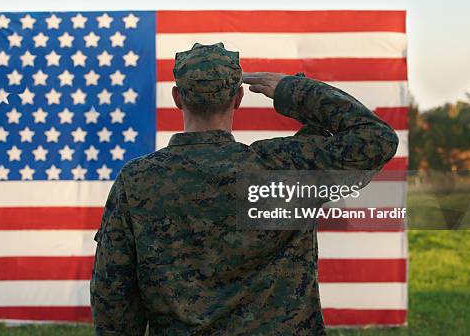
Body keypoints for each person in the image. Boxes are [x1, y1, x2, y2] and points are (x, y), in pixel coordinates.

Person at [90, 42, 399, 335]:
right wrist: (291, 90)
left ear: (177, 98)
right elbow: (376, 137)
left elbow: (113, 294)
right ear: (238, 98)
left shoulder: (138, 179)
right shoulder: (285, 167)